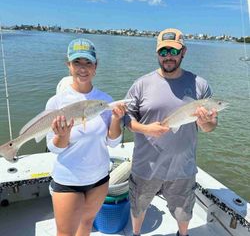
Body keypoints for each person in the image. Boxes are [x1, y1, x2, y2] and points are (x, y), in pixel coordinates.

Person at [125, 28, 218, 236]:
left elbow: (212, 126)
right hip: (145, 167)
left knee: (184, 213)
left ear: (183, 52)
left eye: (173, 51)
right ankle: (136, 234)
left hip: (182, 168)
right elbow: (126, 118)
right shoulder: (141, 84)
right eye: (163, 51)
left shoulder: (200, 85)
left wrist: (204, 123)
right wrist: (145, 128)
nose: (168, 56)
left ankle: (182, 235)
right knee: (138, 207)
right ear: (157, 53)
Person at [46, 38, 126, 236]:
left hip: (99, 178)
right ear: (69, 65)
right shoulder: (56, 103)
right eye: (77, 63)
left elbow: (113, 142)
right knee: (65, 233)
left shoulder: (104, 100)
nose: (83, 68)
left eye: (88, 63)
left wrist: (116, 119)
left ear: (95, 66)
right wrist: (62, 136)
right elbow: (54, 147)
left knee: (87, 223)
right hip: (68, 179)